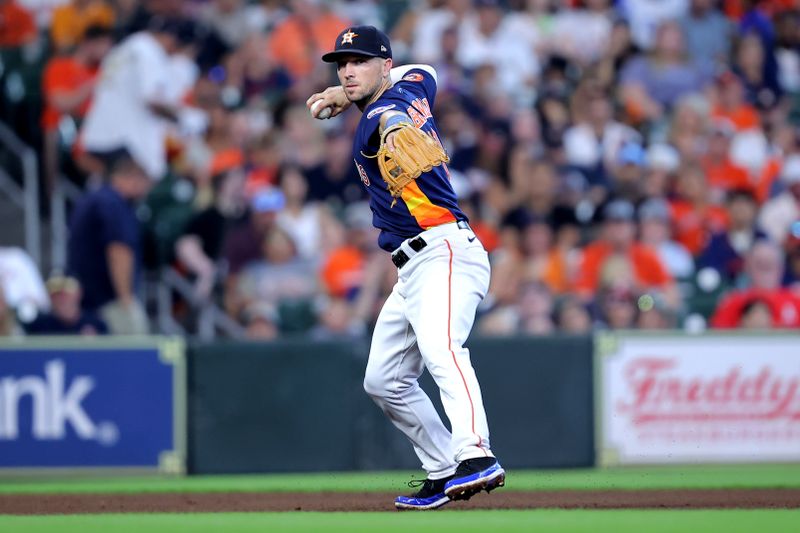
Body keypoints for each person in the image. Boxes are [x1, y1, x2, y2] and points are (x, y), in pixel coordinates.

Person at [307, 25, 504, 511]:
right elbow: (428, 71)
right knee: (383, 380)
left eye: (359, 62)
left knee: (441, 347)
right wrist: (343, 93)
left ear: (384, 66)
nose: (348, 70)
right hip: (412, 267)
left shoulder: (384, 112)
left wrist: (395, 126)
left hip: (445, 250)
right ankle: (443, 468)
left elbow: (391, 118)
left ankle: (476, 453)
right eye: (342, 64)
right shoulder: (412, 85)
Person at [67, 151, 152, 334]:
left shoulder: (92, 198)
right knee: (132, 357)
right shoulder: (114, 203)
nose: (146, 189)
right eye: (145, 181)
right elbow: (118, 251)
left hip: (86, 303)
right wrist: (126, 300)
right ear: (133, 176)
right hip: (110, 304)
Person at [25, 275, 108, 335]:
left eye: (66, 294)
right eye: (56, 294)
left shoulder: (96, 323)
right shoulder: (38, 327)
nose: (61, 299)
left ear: (79, 293)